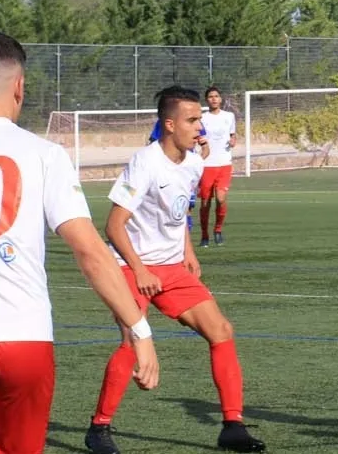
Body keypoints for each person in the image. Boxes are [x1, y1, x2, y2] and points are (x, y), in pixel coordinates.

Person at [0, 30, 159, 454]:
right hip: (23, 338)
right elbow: (90, 252)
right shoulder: (44, 155)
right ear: (20, 86)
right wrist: (139, 328)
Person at [84, 86, 264, 454]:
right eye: (193, 120)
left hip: (171, 266)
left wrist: (186, 251)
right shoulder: (146, 162)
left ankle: (232, 425)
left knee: (221, 330)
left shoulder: (195, 163)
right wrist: (140, 270)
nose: (200, 127)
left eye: (200, 118)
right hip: (130, 265)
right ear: (169, 124)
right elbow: (114, 226)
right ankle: (98, 429)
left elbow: (177, 212)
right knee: (132, 342)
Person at [149, 117, 208, 231]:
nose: (198, 127)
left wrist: (192, 164)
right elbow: (153, 145)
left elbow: (206, 148)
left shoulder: (197, 125)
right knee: (166, 209)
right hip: (167, 173)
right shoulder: (162, 124)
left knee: (184, 209)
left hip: (185, 175)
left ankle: (183, 243)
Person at [198, 86, 237, 247]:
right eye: (211, 96)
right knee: (205, 202)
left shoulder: (229, 116)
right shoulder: (202, 118)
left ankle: (218, 230)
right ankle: (205, 236)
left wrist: (234, 140)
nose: (214, 99)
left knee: (221, 199)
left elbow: (233, 135)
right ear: (207, 100)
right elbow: (196, 136)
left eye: (216, 96)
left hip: (224, 164)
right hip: (207, 164)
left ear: (221, 99)